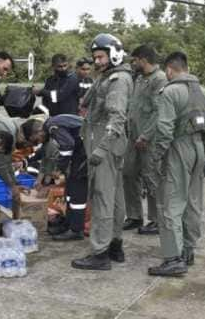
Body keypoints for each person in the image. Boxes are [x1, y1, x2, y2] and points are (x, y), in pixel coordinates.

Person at [147, 51, 205, 277]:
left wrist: (157, 157)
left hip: (178, 149)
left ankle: (172, 258)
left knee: (170, 205)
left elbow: (165, 130)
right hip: (198, 149)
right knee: (193, 203)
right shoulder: (204, 93)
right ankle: (188, 250)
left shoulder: (170, 92)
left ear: (169, 69)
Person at [71, 34, 132, 271]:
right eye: (95, 57)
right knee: (115, 199)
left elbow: (117, 119)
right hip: (110, 144)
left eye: (100, 56)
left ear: (113, 54)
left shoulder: (117, 80)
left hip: (106, 144)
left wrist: (100, 149)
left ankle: (99, 253)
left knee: (102, 198)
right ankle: (115, 245)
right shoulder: (108, 77)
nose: (96, 61)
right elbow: (86, 102)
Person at [122, 45, 168, 235]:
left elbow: (160, 112)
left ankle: (157, 220)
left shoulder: (160, 79)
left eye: (135, 60)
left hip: (149, 138)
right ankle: (134, 215)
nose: (133, 64)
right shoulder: (140, 78)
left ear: (143, 59)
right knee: (128, 173)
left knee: (151, 178)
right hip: (133, 136)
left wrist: (146, 135)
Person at [21, 114, 87, 241]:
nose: (37, 142)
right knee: (70, 193)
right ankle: (69, 224)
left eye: (35, 139)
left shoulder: (53, 127)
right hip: (79, 155)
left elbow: (68, 146)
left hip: (84, 155)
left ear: (38, 131)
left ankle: (76, 230)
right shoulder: (50, 128)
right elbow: (45, 155)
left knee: (77, 195)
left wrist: (59, 170)